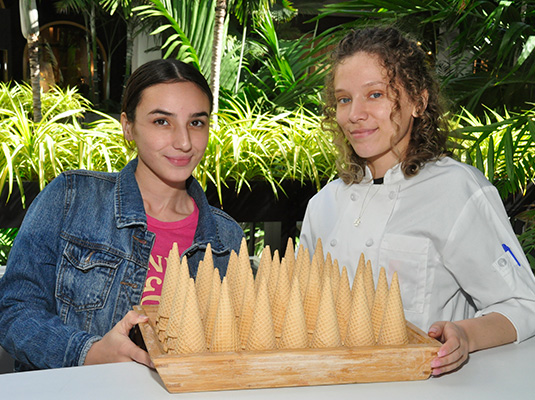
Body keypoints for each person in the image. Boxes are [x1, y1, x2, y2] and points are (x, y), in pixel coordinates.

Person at [299, 26, 535, 376]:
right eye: (344, 99)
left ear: (418, 102)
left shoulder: (457, 189)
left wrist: (464, 336)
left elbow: (524, 304)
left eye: (375, 94)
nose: (354, 114)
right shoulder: (324, 204)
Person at [0, 59, 244, 371]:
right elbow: (14, 309)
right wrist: (86, 352)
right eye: (161, 121)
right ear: (127, 126)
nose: (184, 142)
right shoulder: (71, 198)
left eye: (196, 123)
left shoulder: (226, 239)